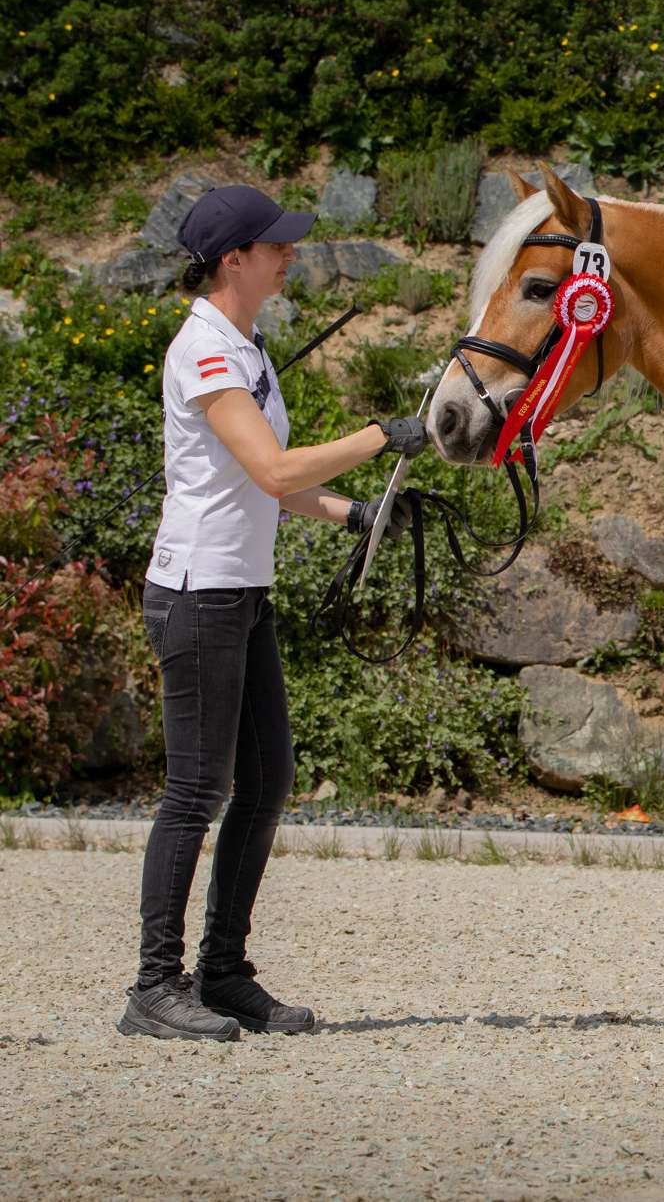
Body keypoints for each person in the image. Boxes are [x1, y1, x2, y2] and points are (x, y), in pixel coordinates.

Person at [118, 185, 427, 1042]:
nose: (289, 253)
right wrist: (376, 435)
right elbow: (274, 468)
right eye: (274, 243)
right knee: (196, 792)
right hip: (198, 593)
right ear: (233, 261)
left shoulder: (246, 344)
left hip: (239, 593)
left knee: (266, 781)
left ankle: (222, 973)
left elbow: (273, 488)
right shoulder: (206, 352)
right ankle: (154, 986)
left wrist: (356, 513)